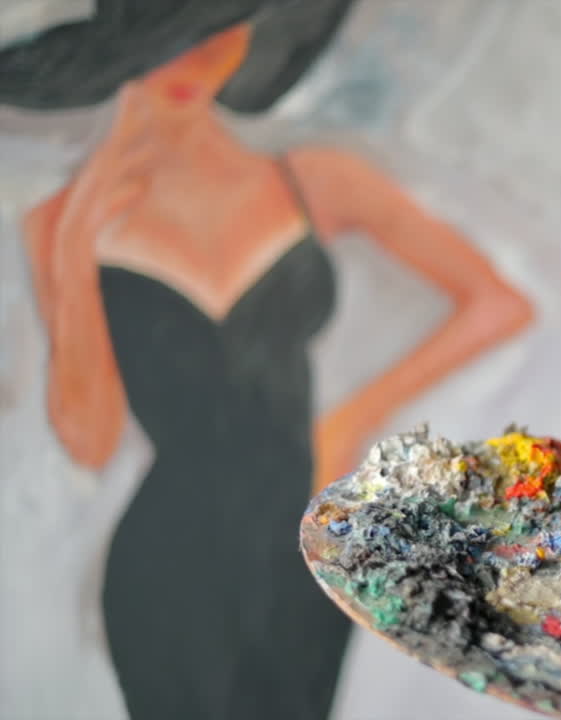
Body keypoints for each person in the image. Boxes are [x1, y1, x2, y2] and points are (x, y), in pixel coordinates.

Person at [10, 2, 531, 717]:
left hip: (307, 546)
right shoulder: (61, 224)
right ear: (123, 52)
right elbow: (90, 439)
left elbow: (498, 303)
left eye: (216, 30)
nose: (194, 60)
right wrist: (74, 245)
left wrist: (352, 417)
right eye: (169, 40)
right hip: (170, 556)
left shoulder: (313, 179)